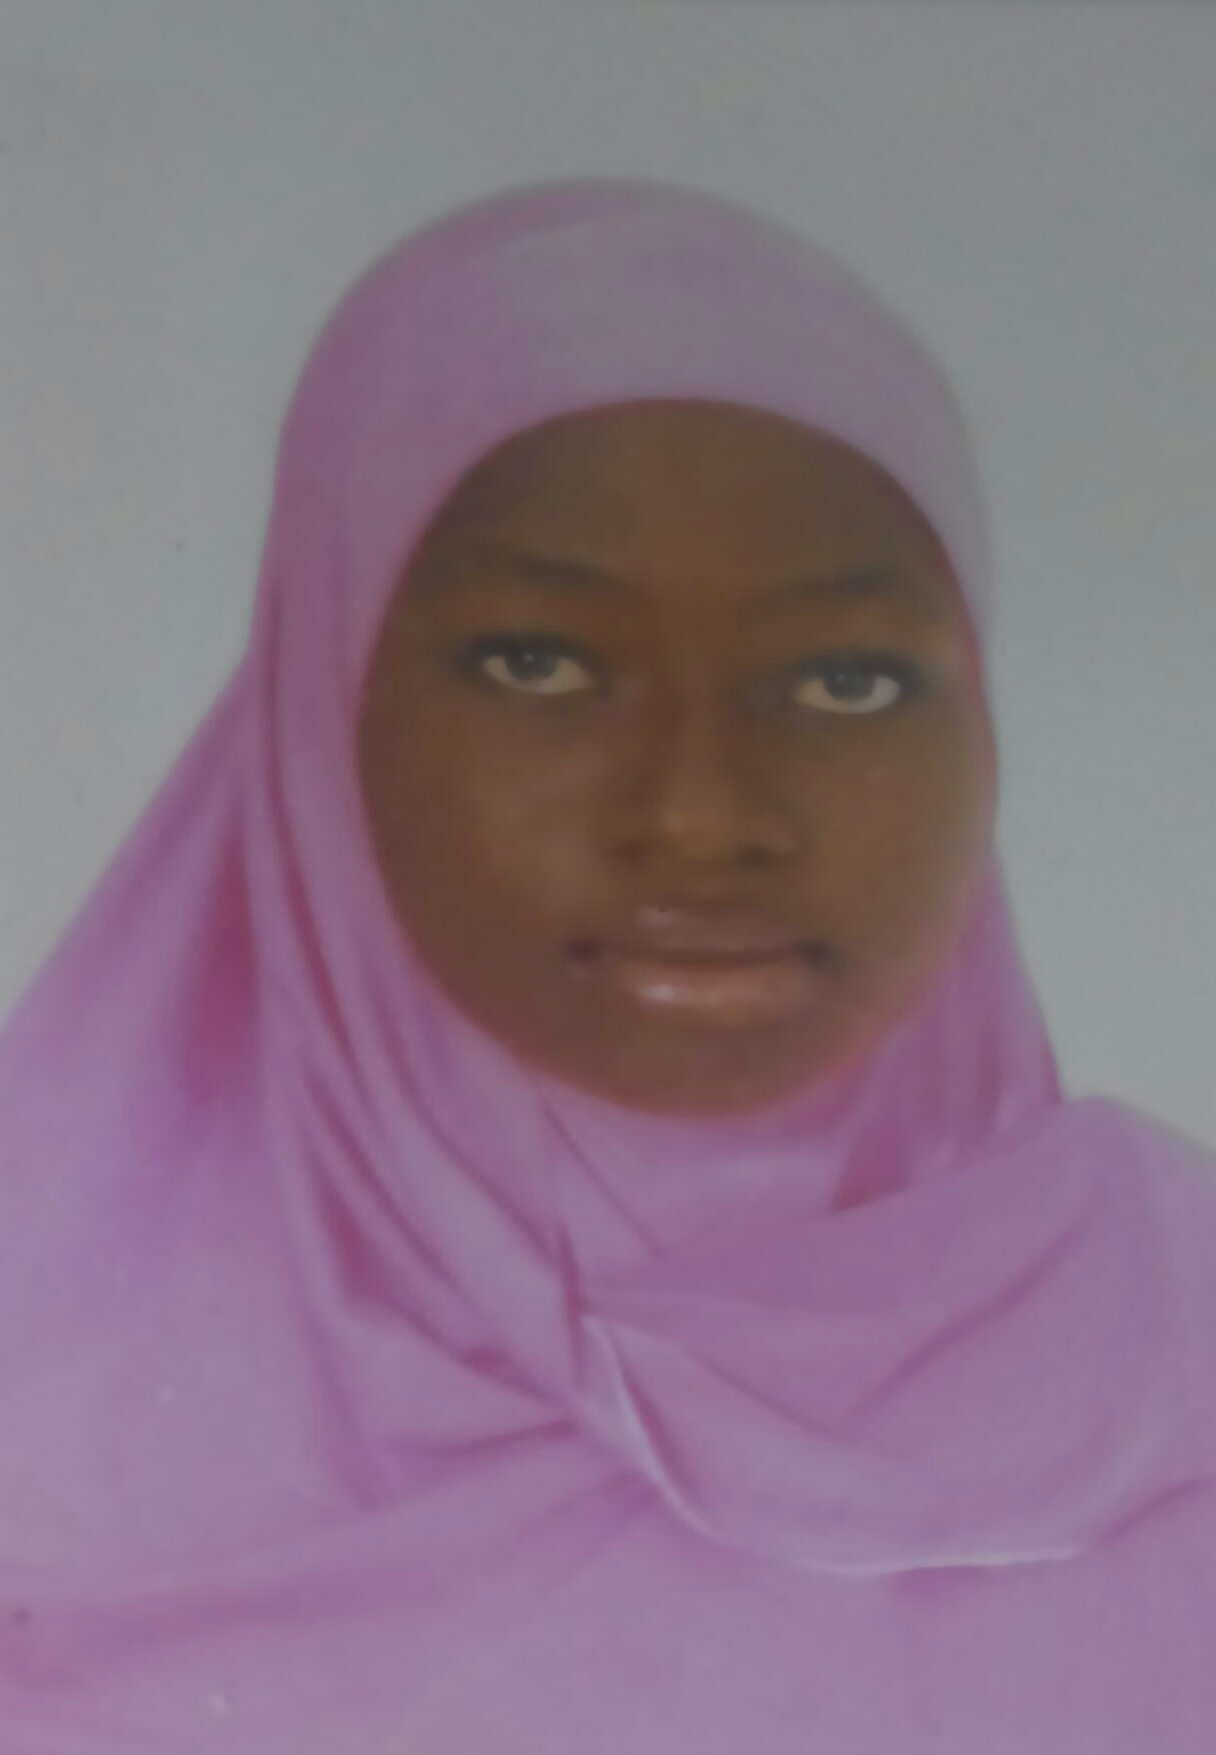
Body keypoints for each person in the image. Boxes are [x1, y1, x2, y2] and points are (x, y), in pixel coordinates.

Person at [0, 179, 1214, 1754]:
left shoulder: (1173, 1369)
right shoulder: (45, 1419)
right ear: (324, 705)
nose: (702, 817)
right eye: (541, 663)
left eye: (845, 681)